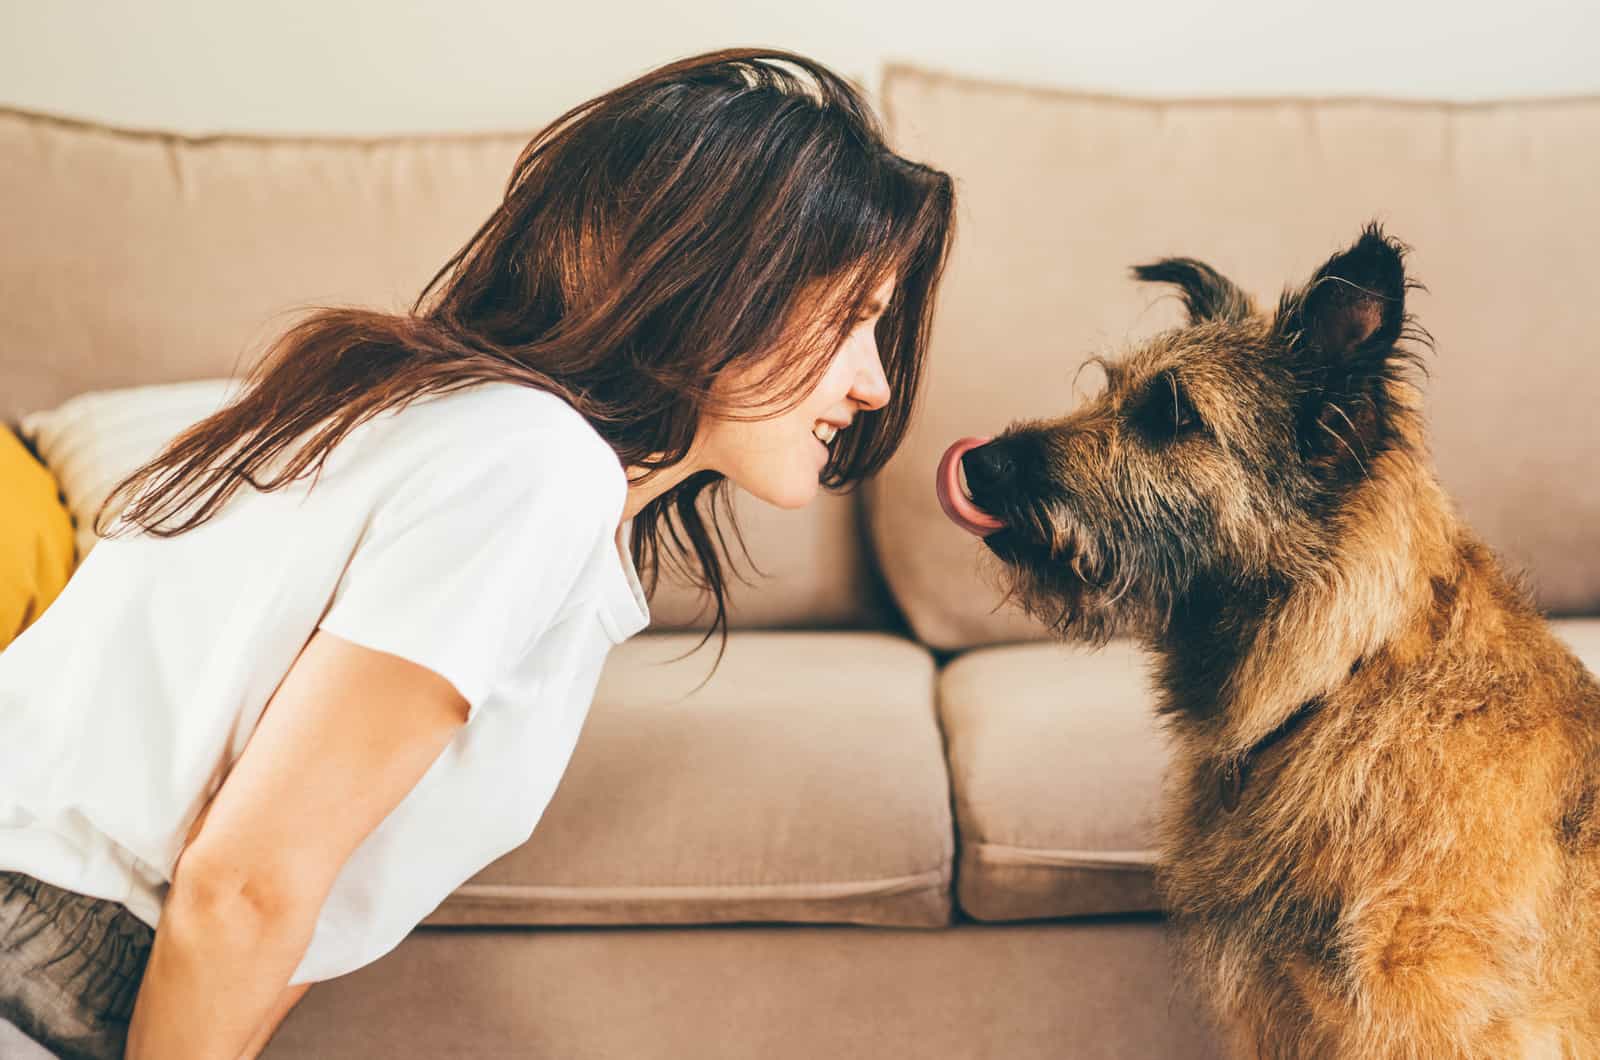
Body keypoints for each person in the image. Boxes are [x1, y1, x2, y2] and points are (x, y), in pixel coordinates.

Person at [0, 46, 955, 1060]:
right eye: (854, 318)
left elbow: (294, 912)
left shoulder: (514, 462)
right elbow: (245, 885)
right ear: (724, 286)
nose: (873, 385)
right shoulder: (533, 468)